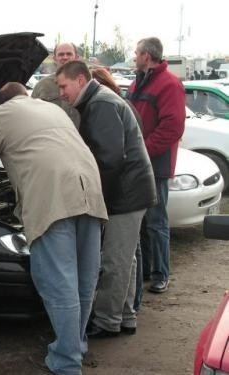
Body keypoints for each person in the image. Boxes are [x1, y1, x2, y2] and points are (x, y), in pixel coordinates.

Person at [0, 81, 107, 374]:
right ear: (26, 94)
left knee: (59, 283)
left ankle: (66, 362)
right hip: (91, 191)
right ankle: (77, 343)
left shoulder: (1, 115)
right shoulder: (52, 109)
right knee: (84, 279)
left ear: (2, 102)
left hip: (52, 196)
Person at [56, 61, 157, 338]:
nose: (61, 92)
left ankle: (107, 322)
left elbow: (109, 159)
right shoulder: (99, 100)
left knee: (115, 261)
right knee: (126, 259)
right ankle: (125, 316)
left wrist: (94, 198)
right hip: (131, 190)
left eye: (63, 86)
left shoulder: (100, 104)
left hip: (126, 194)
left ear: (79, 80)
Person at [127, 37, 185, 294]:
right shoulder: (136, 81)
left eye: (136, 52)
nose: (134, 56)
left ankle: (161, 273)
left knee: (156, 221)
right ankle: (148, 269)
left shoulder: (169, 84)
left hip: (156, 166)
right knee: (141, 222)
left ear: (147, 56)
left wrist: (143, 150)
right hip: (138, 163)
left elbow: (173, 127)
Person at [31, 42, 81, 127]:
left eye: (69, 54)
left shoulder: (85, 84)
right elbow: (32, 116)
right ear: (54, 58)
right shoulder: (42, 86)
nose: (65, 57)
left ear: (76, 57)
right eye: (61, 54)